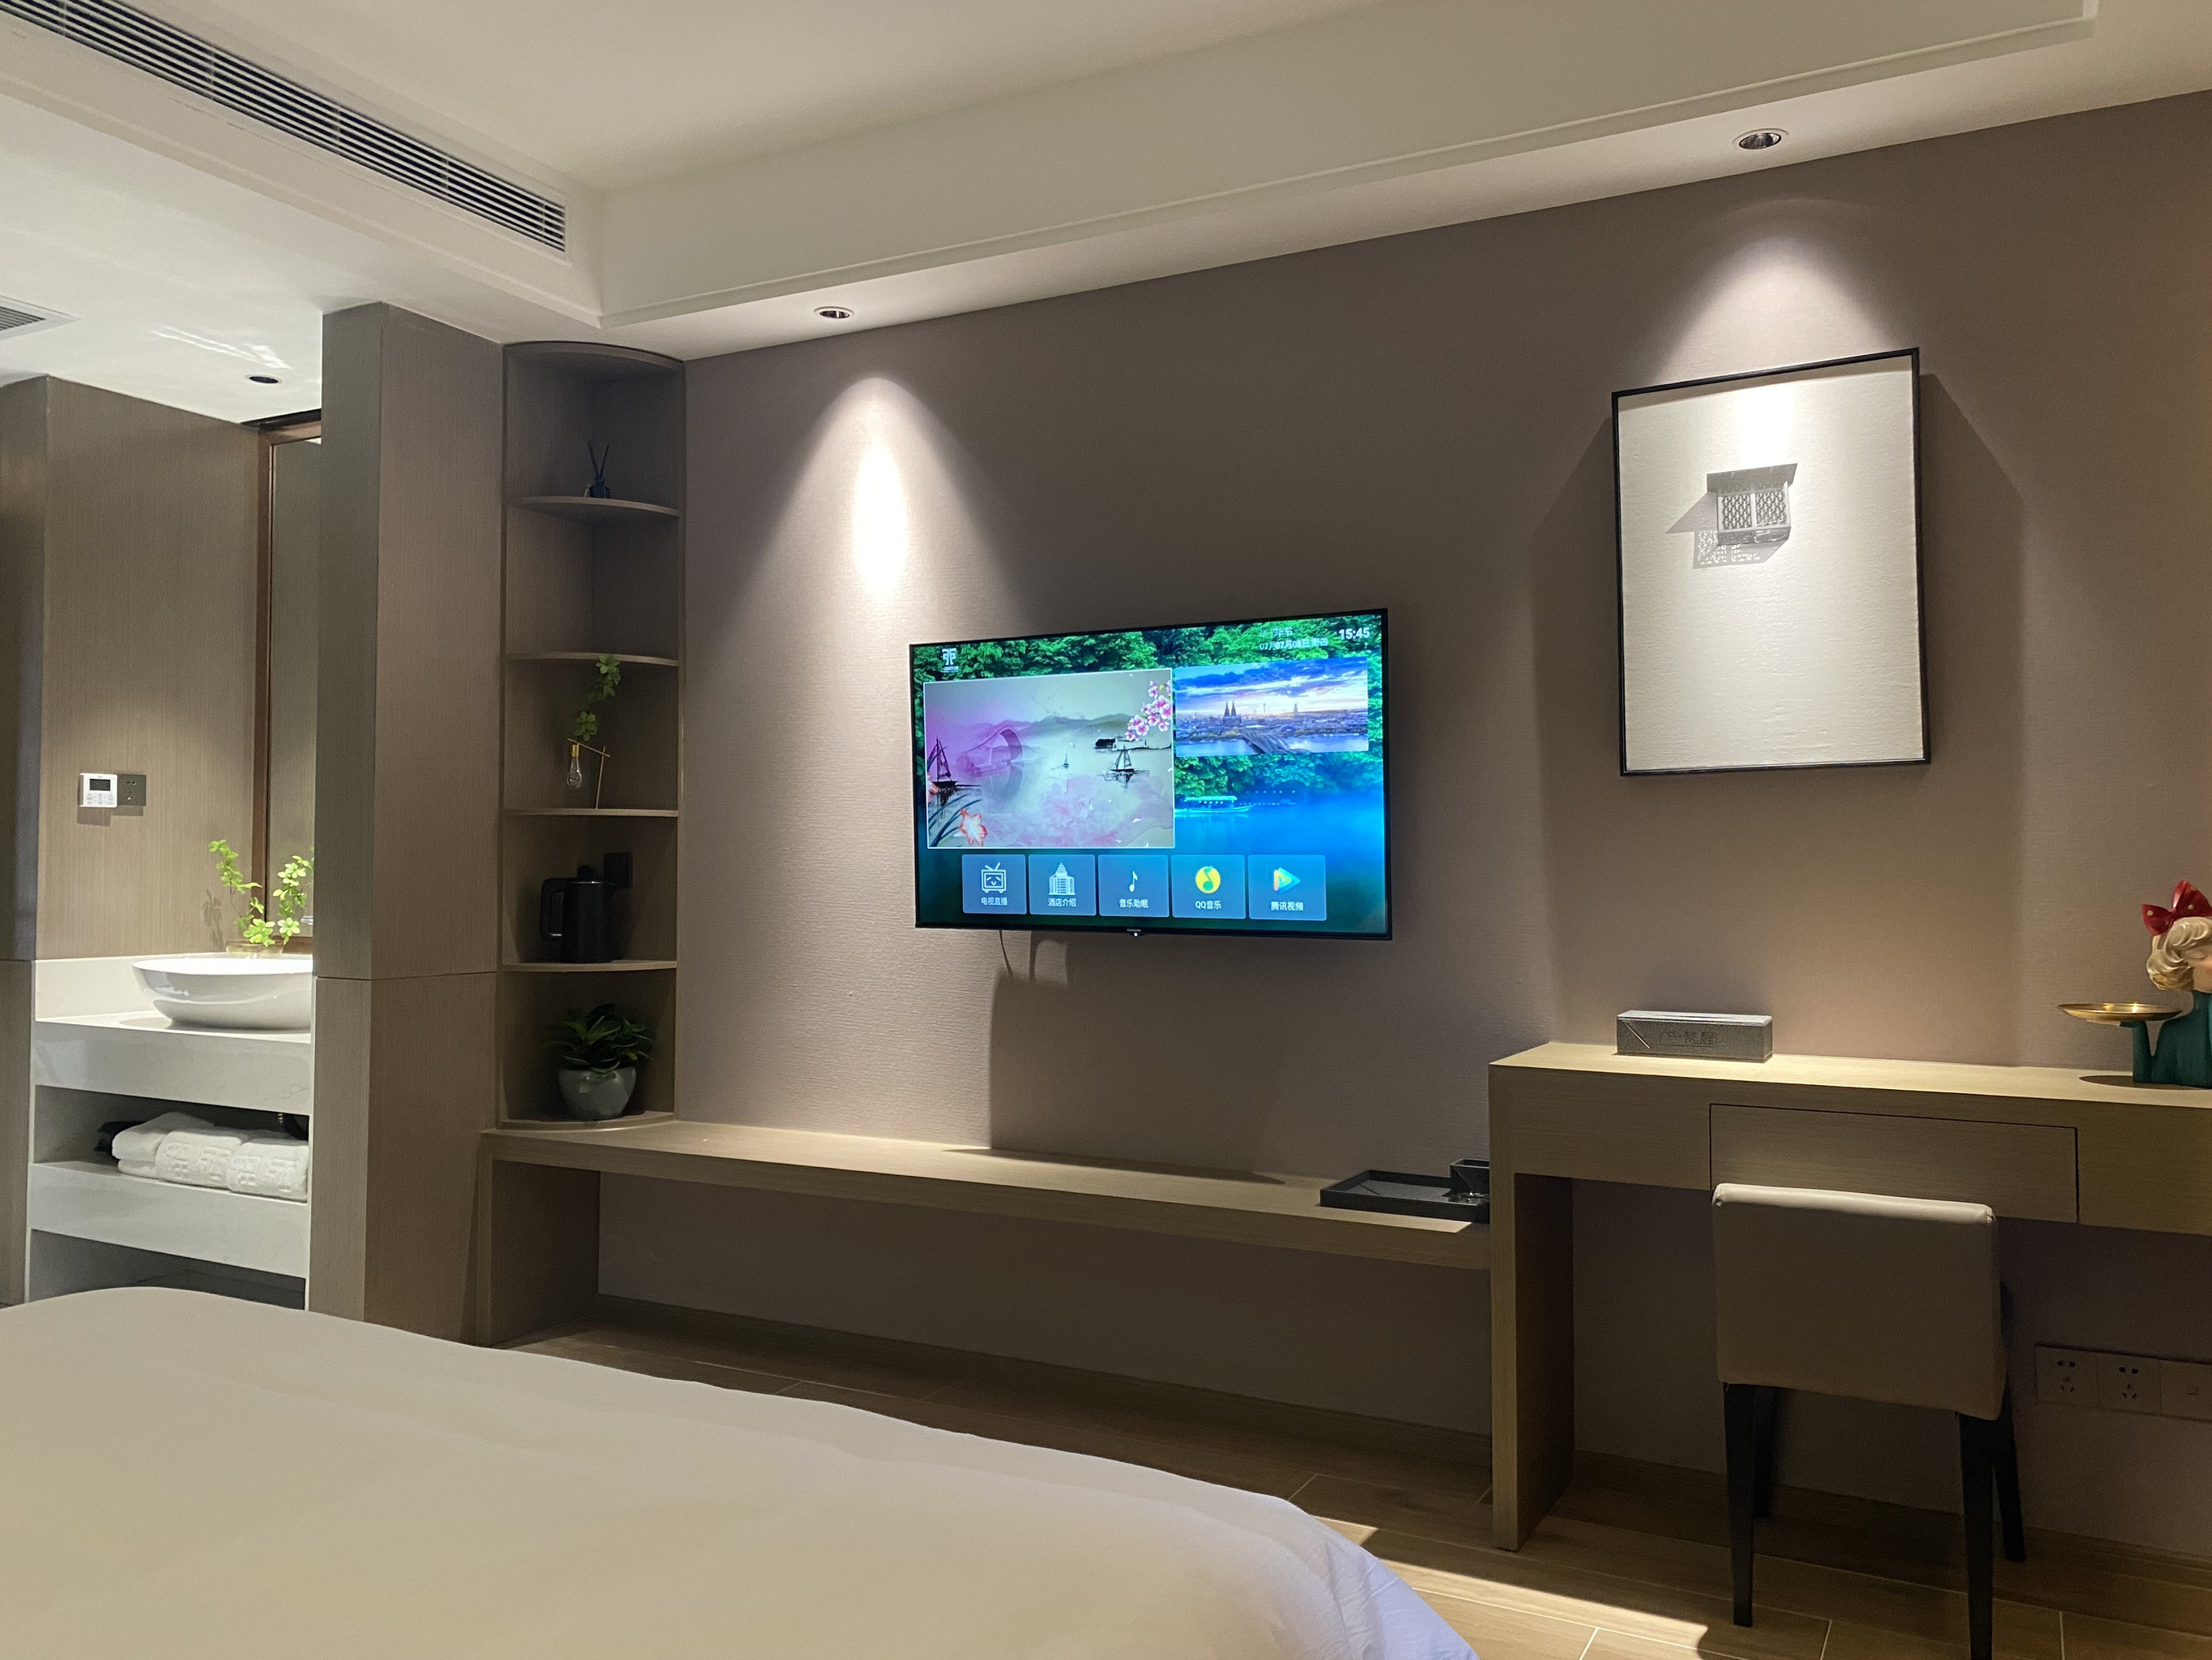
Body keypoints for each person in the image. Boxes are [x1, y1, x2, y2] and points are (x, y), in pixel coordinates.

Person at [2136, 880, 2212, 1086]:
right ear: (2180, 967)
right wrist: (2138, 1030)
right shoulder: (2176, 1032)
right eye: (2201, 955)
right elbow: (2155, 1077)